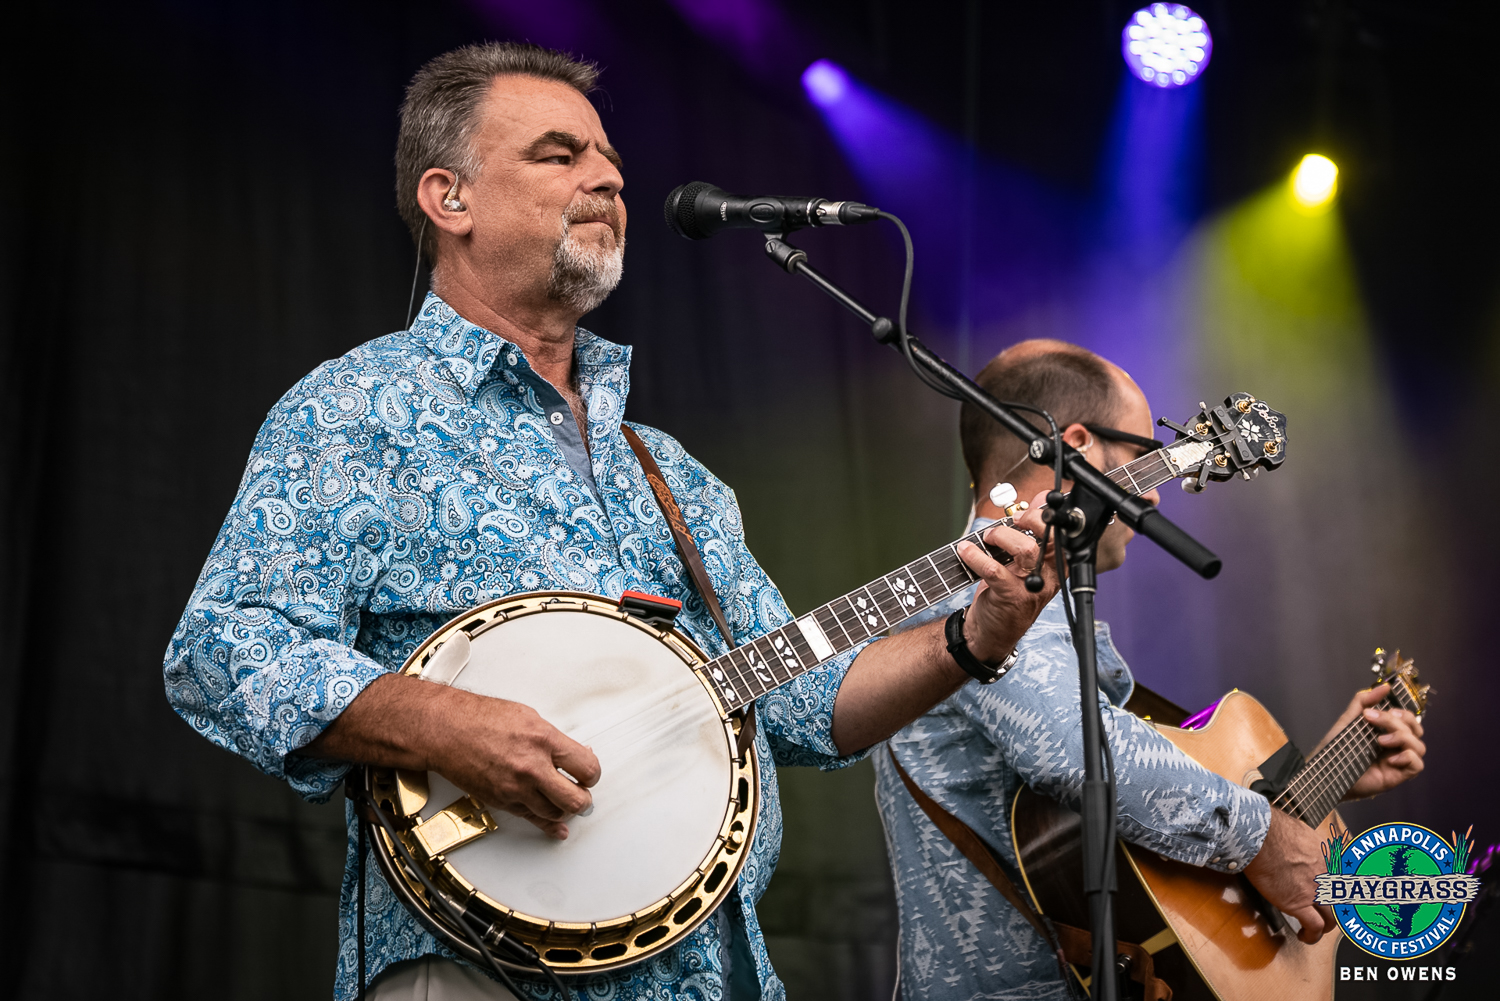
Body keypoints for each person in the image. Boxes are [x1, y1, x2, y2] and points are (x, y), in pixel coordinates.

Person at [162, 43, 1058, 1001]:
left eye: (611, 163)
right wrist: (446, 721)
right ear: (447, 198)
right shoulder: (358, 408)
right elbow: (224, 650)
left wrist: (971, 636)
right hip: (480, 970)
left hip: (706, 970)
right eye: (559, 155)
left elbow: (801, 700)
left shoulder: (668, 472)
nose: (607, 179)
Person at [873, 339, 1428, 1001]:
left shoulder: (1041, 614)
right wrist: (1262, 836)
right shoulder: (973, 597)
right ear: (1074, 446)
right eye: (1143, 459)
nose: (1157, 498)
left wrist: (1322, 778)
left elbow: (1137, 852)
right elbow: (1078, 751)